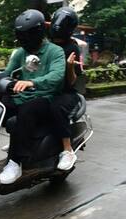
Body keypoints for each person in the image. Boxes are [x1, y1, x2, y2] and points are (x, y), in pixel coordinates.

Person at [0, 9, 66, 184]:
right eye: (21, 35)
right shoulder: (20, 53)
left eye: (27, 35)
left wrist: (32, 82)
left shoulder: (55, 51)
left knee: (27, 111)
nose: (24, 39)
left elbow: (57, 76)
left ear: (38, 32)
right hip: (22, 97)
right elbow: (7, 73)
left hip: (45, 99)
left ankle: (15, 162)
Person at [49, 7, 85, 170]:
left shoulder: (72, 48)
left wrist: (69, 66)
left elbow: (72, 81)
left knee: (56, 106)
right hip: (47, 89)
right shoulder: (47, 44)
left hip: (67, 92)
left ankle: (67, 149)